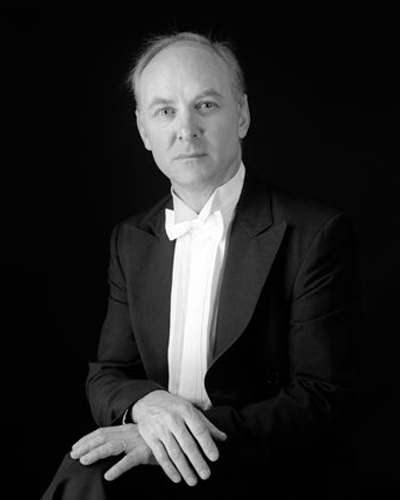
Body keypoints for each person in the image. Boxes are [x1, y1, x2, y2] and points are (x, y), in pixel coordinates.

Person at [42, 31, 360, 499]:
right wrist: (148, 407)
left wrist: (177, 439)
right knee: (87, 468)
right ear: (143, 130)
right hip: (155, 462)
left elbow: (320, 398)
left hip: (255, 463)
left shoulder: (315, 233)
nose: (185, 129)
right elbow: (107, 374)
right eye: (165, 111)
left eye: (205, 105)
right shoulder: (131, 239)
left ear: (242, 115)